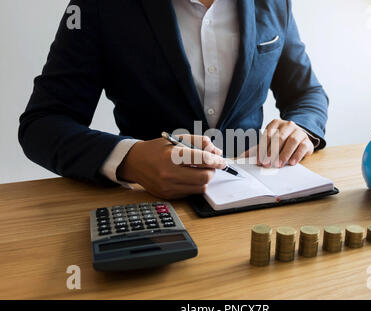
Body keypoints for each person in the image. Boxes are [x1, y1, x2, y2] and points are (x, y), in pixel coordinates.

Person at [18, 0, 329, 199]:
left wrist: (301, 128)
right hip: (151, 207)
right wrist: (129, 159)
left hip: (260, 199)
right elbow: (42, 124)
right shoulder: (97, 7)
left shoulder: (275, 3)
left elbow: (307, 93)